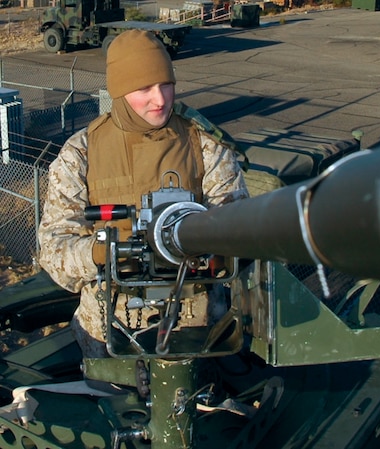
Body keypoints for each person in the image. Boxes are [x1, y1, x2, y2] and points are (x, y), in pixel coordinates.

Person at [37, 30, 249, 358]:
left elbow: (239, 229)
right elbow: (55, 253)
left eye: (166, 84)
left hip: (199, 334)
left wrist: (209, 246)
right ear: (120, 92)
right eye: (144, 88)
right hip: (108, 338)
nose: (161, 99)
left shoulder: (204, 145)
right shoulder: (81, 153)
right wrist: (102, 253)